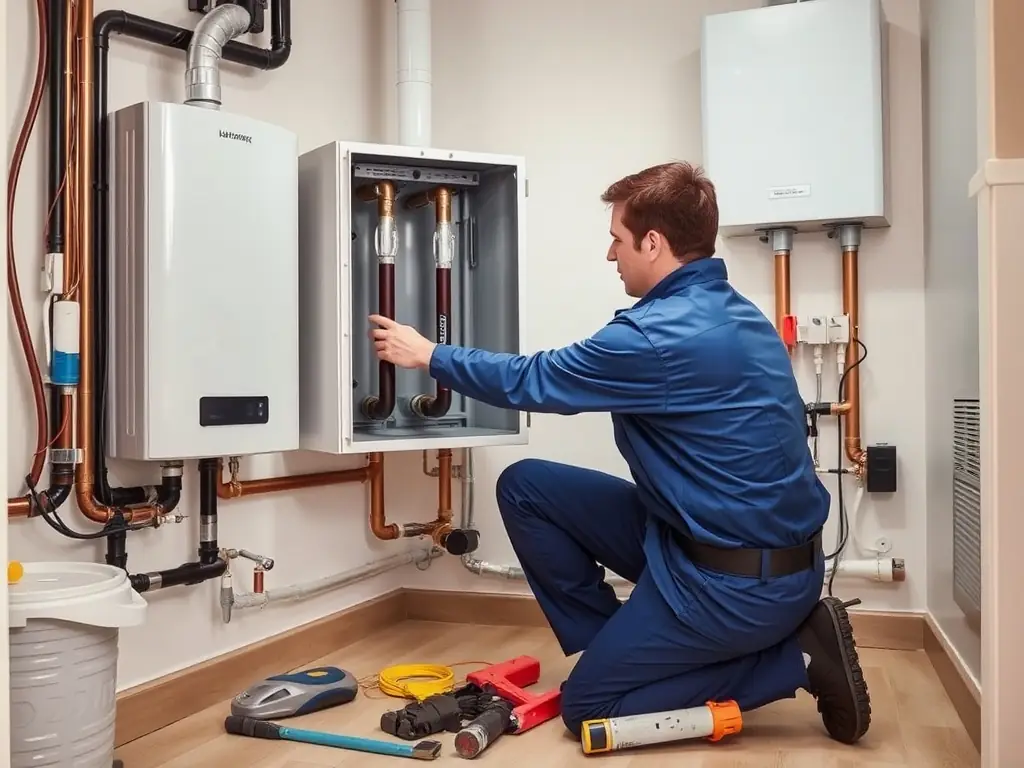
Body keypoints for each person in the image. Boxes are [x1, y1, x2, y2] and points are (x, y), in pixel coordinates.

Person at [368, 161, 871, 746]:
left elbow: (535, 379)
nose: (612, 254)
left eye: (617, 239)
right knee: (527, 487)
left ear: (653, 243)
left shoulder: (657, 337)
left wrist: (429, 354)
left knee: (590, 707)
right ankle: (623, 644)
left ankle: (799, 659)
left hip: (735, 589)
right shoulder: (737, 312)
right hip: (739, 553)